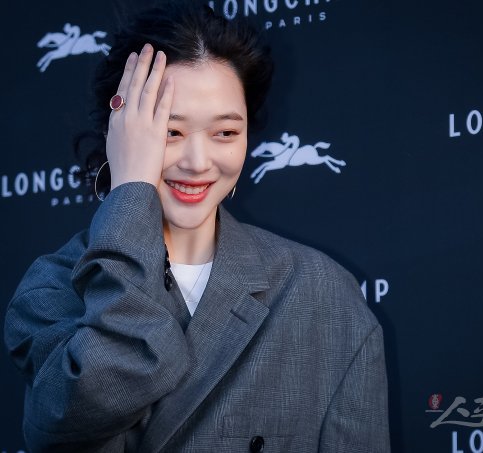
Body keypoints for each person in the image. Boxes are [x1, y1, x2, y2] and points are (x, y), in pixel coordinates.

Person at [4, 1, 390, 451]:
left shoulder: (323, 296)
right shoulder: (51, 290)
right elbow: (88, 401)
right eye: (170, 132)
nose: (198, 162)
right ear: (120, 135)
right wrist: (132, 192)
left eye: (225, 133)